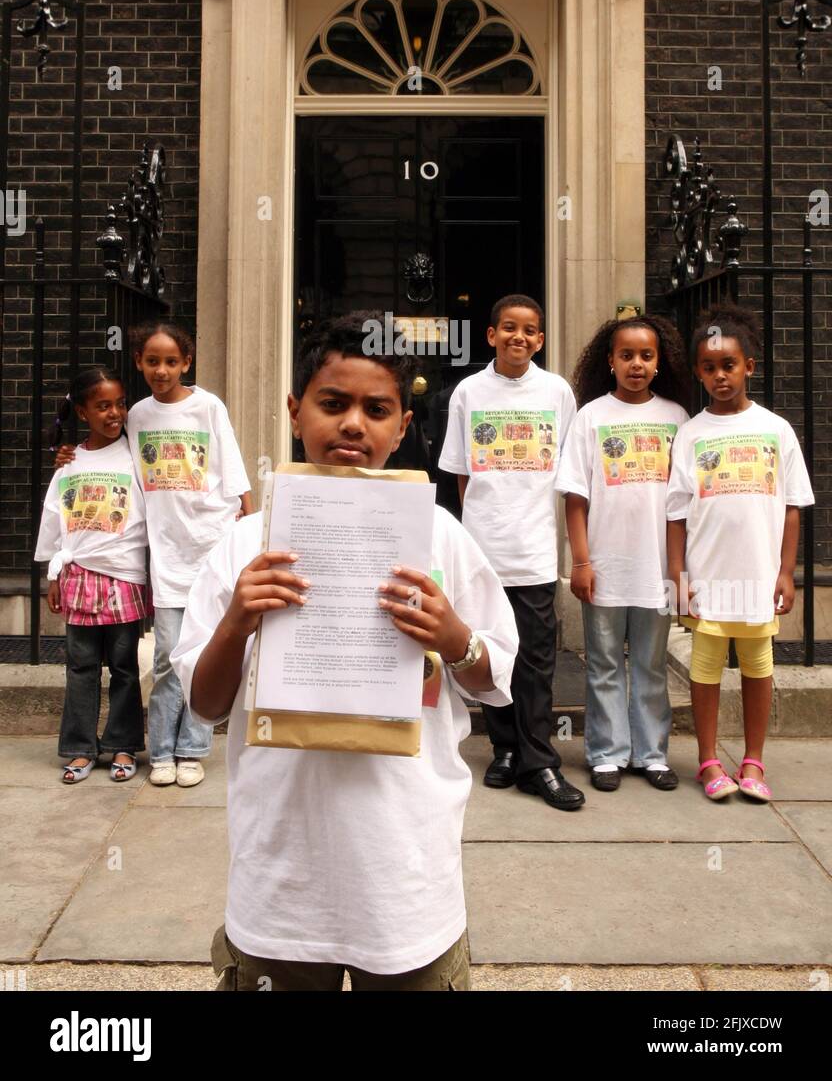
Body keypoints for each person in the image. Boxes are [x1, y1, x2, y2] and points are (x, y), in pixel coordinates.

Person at [170, 311, 517, 991]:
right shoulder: (245, 546)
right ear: (296, 412)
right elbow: (205, 705)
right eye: (334, 404)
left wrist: (454, 639)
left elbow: (493, 677)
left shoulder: (441, 539)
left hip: (408, 880)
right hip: (282, 881)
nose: (354, 424)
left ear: (402, 427)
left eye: (376, 409)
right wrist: (238, 620)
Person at [57, 321, 253, 788]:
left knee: (205, 651)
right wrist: (67, 454)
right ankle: (162, 748)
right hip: (165, 554)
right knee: (167, 655)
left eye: (170, 361)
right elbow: (109, 461)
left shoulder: (208, 406)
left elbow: (232, 464)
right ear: (140, 363)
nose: (161, 370)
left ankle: (193, 748)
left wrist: (247, 522)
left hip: (211, 541)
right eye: (151, 361)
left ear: (186, 363)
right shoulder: (138, 415)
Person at [438, 294, 583, 811]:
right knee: (487, 655)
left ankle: (538, 761)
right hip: (484, 549)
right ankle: (503, 749)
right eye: (509, 328)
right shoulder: (468, 393)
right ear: (491, 335)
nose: (518, 337)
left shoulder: (557, 391)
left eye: (529, 330)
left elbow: (568, 473)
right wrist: (481, 526)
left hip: (536, 550)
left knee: (535, 662)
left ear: (540, 340)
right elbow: (460, 472)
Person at [666, 303, 814, 801]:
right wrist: (678, 577)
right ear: (698, 373)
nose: (719, 376)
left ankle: (754, 759)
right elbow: (676, 515)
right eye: (708, 367)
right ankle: (709, 760)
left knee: (758, 665)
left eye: (728, 365)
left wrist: (786, 572)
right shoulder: (690, 434)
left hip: (757, 576)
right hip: (709, 577)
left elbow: (793, 507)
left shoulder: (776, 429)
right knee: (706, 671)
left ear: (749, 365)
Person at [557, 315, 690, 792]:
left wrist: (683, 570)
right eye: (627, 355)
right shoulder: (591, 416)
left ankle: (651, 753)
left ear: (659, 362)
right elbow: (575, 498)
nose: (637, 364)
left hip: (657, 566)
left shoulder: (677, 418)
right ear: (609, 361)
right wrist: (581, 561)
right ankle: (606, 753)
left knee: (652, 664)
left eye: (646, 355)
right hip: (606, 565)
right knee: (605, 662)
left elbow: (686, 504)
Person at [35, 369, 147, 784]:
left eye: (119, 404)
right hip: (79, 575)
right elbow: (54, 516)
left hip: (123, 575)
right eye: (103, 406)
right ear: (82, 411)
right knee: (80, 666)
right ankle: (80, 749)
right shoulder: (70, 461)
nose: (115, 413)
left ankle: (122, 745)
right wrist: (53, 573)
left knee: (123, 666)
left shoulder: (134, 455)